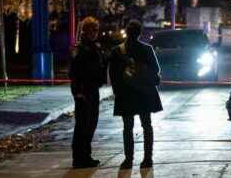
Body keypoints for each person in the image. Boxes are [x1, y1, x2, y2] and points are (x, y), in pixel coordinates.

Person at [108, 20, 163, 169]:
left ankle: (128, 160)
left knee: (127, 127)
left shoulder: (117, 51)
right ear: (139, 33)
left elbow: (113, 75)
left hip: (126, 94)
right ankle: (147, 159)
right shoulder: (147, 49)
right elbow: (156, 70)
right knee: (147, 125)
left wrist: (117, 91)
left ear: (126, 32)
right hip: (145, 93)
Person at [69, 17, 107, 168]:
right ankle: (79, 158)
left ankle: (86, 156)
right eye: (93, 30)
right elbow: (74, 73)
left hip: (93, 90)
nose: (95, 32)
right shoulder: (80, 48)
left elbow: (101, 64)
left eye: (96, 29)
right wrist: (77, 92)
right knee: (82, 126)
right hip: (84, 91)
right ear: (86, 31)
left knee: (91, 124)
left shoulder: (94, 47)